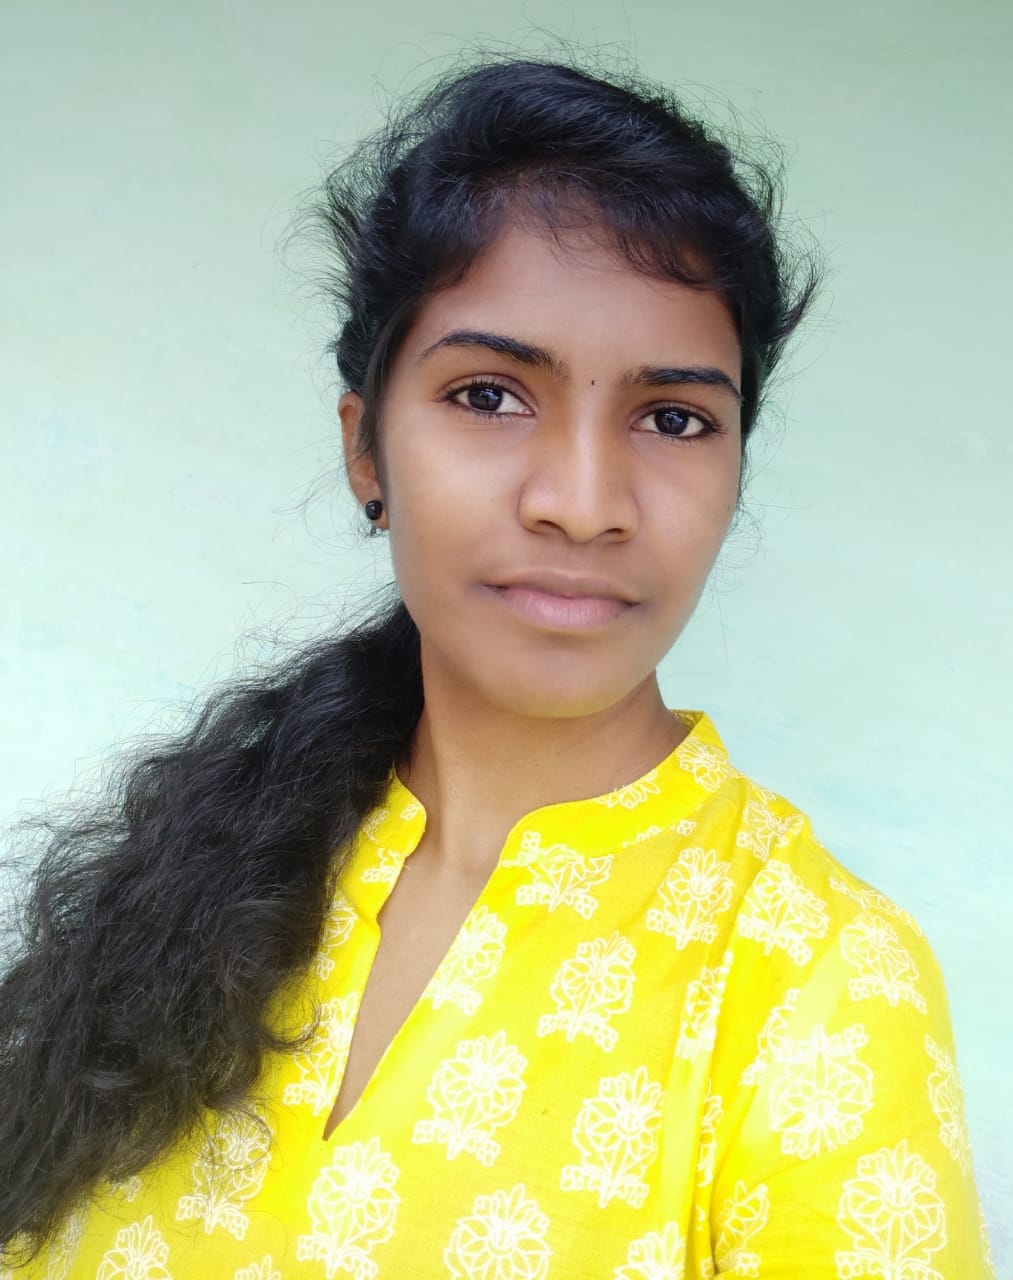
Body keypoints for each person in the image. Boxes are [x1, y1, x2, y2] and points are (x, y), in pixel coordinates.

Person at [0, 49, 993, 1280]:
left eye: (673, 418)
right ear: (366, 450)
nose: (581, 501)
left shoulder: (816, 985)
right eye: (487, 394)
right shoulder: (196, 880)